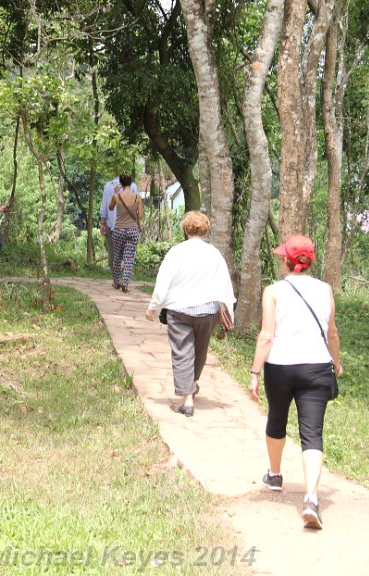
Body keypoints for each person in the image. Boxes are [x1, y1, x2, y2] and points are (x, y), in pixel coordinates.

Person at [248, 234, 342, 530]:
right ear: (309, 260)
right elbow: (332, 334)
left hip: (280, 367)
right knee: (312, 432)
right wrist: (336, 364)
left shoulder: (273, 290)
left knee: (277, 418)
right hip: (316, 367)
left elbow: (267, 335)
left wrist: (254, 372)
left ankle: (275, 475)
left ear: (286, 260)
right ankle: (311, 498)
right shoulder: (325, 289)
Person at [145, 211, 235, 417]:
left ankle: (187, 398)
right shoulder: (214, 254)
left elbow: (163, 283)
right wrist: (229, 313)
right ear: (206, 230)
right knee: (200, 350)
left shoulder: (176, 252)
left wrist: (153, 307)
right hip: (207, 311)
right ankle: (191, 386)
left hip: (179, 310)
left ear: (185, 229)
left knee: (182, 352)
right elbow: (225, 286)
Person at [108, 175, 144, 293]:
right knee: (129, 258)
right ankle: (125, 284)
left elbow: (111, 208)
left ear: (121, 184)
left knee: (117, 257)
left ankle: (116, 282)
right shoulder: (137, 198)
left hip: (118, 230)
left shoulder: (116, 196)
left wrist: (114, 193)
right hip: (133, 231)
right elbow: (140, 216)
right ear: (131, 183)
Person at [99, 175, 137, 270]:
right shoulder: (133, 186)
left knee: (113, 250)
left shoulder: (108, 185)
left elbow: (105, 207)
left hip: (112, 224)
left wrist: (102, 223)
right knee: (127, 250)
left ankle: (114, 270)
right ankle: (125, 269)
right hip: (129, 224)